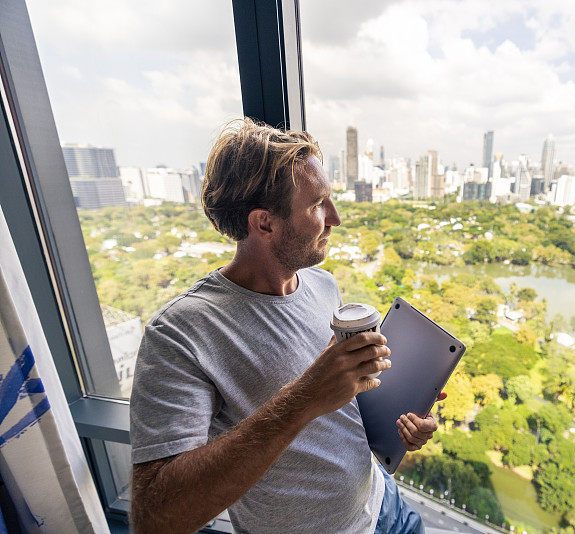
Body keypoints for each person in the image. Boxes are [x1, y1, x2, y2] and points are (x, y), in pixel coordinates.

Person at [129, 118, 444, 534]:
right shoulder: (180, 334)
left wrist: (402, 416)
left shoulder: (322, 285)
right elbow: (155, 519)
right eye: (317, 205)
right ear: (264, 223)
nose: (335, 217)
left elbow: (343, 403)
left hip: (384, 505)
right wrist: (302, 398)